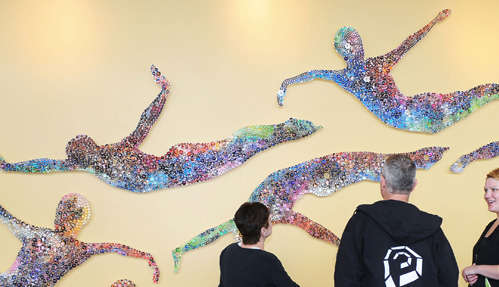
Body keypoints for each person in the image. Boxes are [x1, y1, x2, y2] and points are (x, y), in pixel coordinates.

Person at [0, 65, 320, 192]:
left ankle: (287, 130)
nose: (82, 146)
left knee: (235, 147)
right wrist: (11, 166)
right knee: (235, 152)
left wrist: (163, 93)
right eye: (77, 147)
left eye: (83, 142)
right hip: (171, 173)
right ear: (78, 155)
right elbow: (44, 165)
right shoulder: (85, 165)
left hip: (173, 164)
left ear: (93, 143)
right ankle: (285, 132)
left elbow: (145, 121)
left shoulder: (118, 148)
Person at [277, 9, 499, 133]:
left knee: (467, 97)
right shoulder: (343, 77)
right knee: (463, 102)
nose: (357, 48)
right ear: (344, 52)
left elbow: (407, 44)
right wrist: (286, 84)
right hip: (406, 117)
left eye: (358, 43)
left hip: (414, 107)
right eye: (351, 46)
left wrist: (433, 22)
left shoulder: (378, 63)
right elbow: (312, 74)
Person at [333, 154, 459, 287]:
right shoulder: (433, 230)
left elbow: (346, 286)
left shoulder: (360, 223)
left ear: (383, 182)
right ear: (414, 185)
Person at [0, 193, 160, 287]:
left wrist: (145, 256)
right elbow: (5, 216)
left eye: (70, 215)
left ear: (80, 220)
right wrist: (145, 256)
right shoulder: (36, 235)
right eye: (61, 213)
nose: (63, 219)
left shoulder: (79, 251)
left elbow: (115, 247)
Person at [216, 202, 303, 287]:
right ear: (263, 230)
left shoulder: (227, 252)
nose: (271, 223)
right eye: (270, 220)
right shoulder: (268, 261)